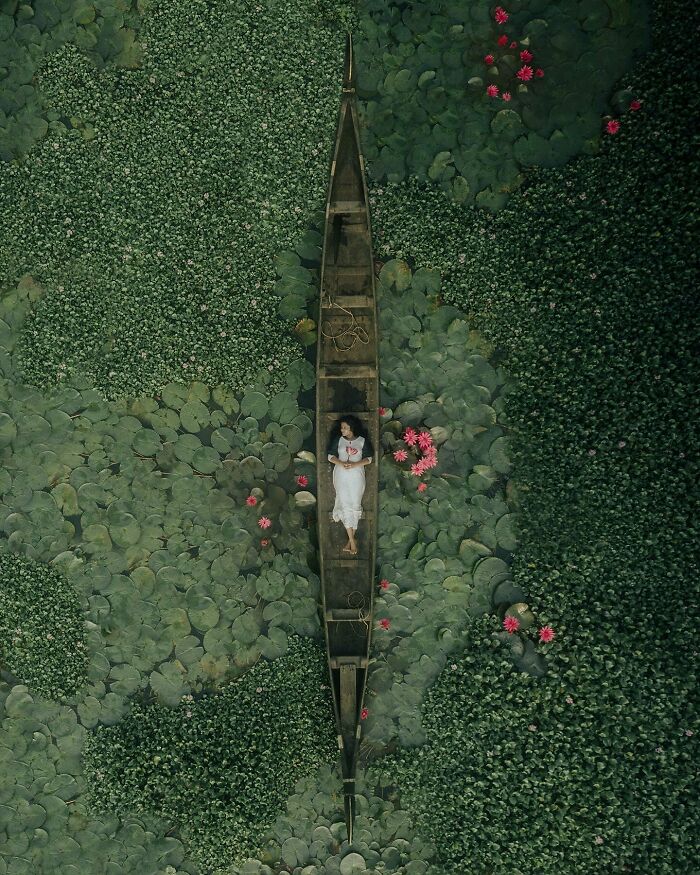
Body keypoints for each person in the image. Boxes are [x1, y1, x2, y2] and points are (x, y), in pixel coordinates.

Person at [326, 414, 374, 555]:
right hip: (341, 474)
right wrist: (341, 463)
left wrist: (355, 464)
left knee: (355, 504)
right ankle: (352, 541)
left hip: (357, 475)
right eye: (342, 428)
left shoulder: (362, 441)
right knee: (345, 504)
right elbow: (330, 456)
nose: (342, 430)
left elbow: (369, 459)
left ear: (352, 428)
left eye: (345, 428)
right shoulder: (338, 440)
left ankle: (351, 541)